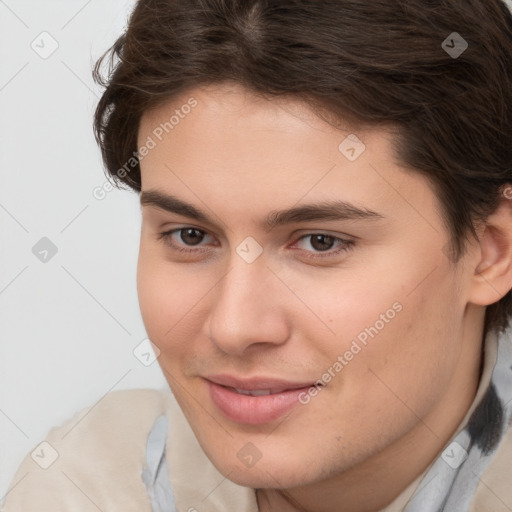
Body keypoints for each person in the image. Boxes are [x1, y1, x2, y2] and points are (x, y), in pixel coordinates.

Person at [3, 0, 512, 510]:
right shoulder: (83, 487)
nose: (234, 327)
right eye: (190, 236)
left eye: (320, 242)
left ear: (492, 252)